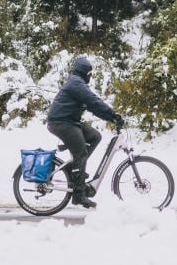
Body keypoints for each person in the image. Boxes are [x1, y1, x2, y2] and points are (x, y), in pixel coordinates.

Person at [47, 57, 124, 209]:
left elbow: (93, 106)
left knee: (95, 136)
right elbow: (93, 101)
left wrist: (111, 116)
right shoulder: (76, 83)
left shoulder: (77, 83)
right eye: (90, 73)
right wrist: (113, 115)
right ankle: (78, 195)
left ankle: (75, 170)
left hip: (69, 120)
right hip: (61, 122)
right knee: (81, 153)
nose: (90, 76)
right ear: (85, 73)